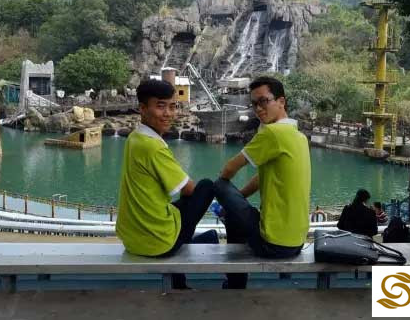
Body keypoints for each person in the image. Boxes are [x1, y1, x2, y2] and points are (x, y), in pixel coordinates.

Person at [115, 79, 218, 289]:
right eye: (160, 106)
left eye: (172, 106)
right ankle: (182, 266)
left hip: (132, 239)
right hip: (157, 242)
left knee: (181, 206)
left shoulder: (134, 138)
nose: (168, 113)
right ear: (142, 108)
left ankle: (188, 258)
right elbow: (189, 189)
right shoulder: (153, 147)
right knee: (206, 187)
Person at [214, 76, 311, 289]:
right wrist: (236, 200)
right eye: (254, 104)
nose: (258, 109)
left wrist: (226, 196)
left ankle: (235, 284)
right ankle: (235, 283)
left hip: (273, 243)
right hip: (295, 242)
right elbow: (261, 178)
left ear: (281, 101)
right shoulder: (298, 136)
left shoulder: (273, 133)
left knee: (217, 185)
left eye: (264, 101)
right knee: (234, 214)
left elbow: (228, 169)